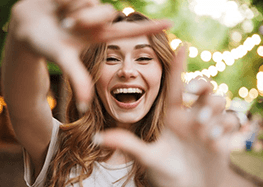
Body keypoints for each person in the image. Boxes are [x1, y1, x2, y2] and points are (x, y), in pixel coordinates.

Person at [2, 0, 257, 186]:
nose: (127, 70)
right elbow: (25, 101)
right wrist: (22, 43)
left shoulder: (182, 160)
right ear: (92, 74)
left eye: (143, 58)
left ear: (163, 74)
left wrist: (218, 181)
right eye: (111, 58)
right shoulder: (58, 146)